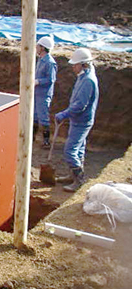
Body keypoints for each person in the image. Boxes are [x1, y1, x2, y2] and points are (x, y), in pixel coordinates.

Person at [55, 47, 99, 193]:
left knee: (70, 151)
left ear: (84, 64)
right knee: (78, 149)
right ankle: (72, 176)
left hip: (82, 120)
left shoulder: (88, 81)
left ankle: (79, 180)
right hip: (78, 119)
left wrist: (64, 114)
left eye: (75, 64)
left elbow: (80, 105)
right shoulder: (83, 76)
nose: (73, 67)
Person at [34, 36, 57, 149]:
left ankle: (46, 141)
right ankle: (32, 137)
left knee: (43, 117)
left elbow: (51, 79)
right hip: (36, 93)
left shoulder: (50, 62)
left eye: (38, 46)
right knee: (34, 116)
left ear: (43, 48)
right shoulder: (40, 60)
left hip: (43, 94)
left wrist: (38, 81)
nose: (36, 47)